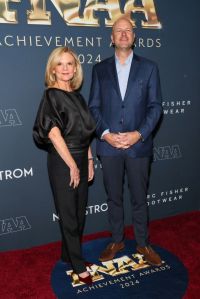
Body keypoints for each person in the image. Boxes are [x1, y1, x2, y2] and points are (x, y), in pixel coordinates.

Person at [89, 17, 162, 266]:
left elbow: (155, 107)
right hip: (108, 146)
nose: (123, 34)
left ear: (134, 37)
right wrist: (106, 134)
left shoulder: (149, 68)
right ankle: (117, 239)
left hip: (138, 146)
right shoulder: (99, 69)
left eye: (127, 31)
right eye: (118, 31)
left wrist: (138, 134)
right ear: (111, 38)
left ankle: (143, 243)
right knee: (114, 197)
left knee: (140, 197)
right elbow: (94, 107)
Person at [33, 47, 96, 285]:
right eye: (60, 64)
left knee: (79, 213)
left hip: (80, 156)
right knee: (69, 215)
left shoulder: (78, 96)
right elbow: (54, 133)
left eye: (70, 63)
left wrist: (88, 160)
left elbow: (85, 133)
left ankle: (69, 255)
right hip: (62, 160)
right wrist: (72, 164)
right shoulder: (51, 95)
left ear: (76, 68)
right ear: (52, 69)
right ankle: (78, 266)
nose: (66, 68)